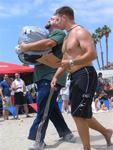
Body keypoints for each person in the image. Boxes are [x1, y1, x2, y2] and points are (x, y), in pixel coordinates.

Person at [51, 6, 113, 150]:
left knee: (78, 114)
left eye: (57, 19)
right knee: (82, 113)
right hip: (74, 76)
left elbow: (92, 54)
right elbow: (65, 61)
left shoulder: (80, 31)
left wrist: (71, 62)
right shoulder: (66, 37)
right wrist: (56, 76)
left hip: (85, 73)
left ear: (64, 17)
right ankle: (106, 132)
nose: (55, 22)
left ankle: (87, 148)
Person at [19, 15, 75, 150]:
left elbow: (49, 44)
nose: (49, 19)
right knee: (51, 108)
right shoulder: (45, 36)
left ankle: (39, 141)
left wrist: (25, 47)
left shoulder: (58, 33)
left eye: (53, 18)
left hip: (51, 77)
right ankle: (66, 133)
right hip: (43, 77)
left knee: (43, 109)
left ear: (59, 22)